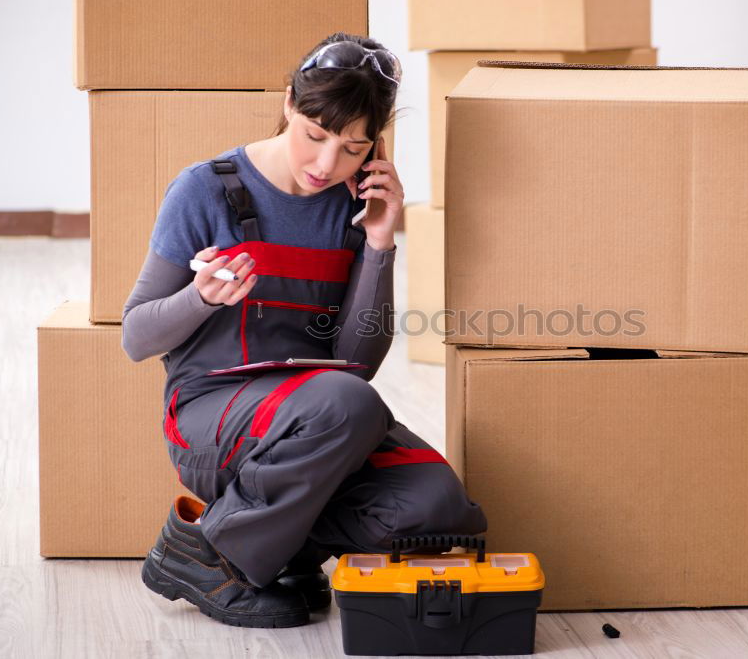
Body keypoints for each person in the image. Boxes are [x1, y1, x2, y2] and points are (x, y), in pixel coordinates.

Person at [120, 32, 488, 629]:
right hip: (211, 422)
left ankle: (287, 550)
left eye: (352, 147)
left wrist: (378, 243)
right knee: (346, 403)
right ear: (290, 102)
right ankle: (209, 553)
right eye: (315, 136)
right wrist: (199, 297)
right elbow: (136, 337)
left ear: (375, 144)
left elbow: (357, 361)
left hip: (318, 424)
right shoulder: (205, 189)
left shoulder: (354, 209)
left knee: (436, 504)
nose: (326, 165)